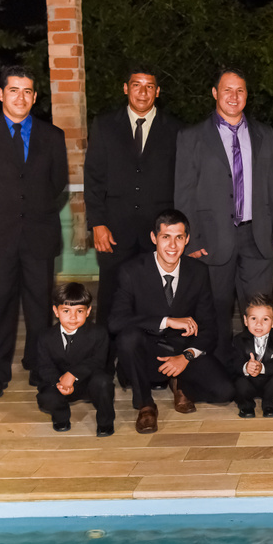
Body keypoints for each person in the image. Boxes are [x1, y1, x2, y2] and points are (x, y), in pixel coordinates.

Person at [0, 67, 68, 399]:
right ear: (1, 94)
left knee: (39, 306)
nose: (21, 97)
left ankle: (39, 366)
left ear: (35, 97)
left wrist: (32, 207)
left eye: (28, 92)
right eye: (14, 90)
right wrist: (1, 208)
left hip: (39, 233)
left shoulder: (52, 135)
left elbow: (57, 181)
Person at [174, 68, 273, 353]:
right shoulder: (192, 137)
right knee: (215, 310)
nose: (233, 96)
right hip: (212, 240)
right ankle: (220, 367)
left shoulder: (264, 134)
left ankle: (258, 369)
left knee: (259, 311)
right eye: (227, 90)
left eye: (240, 90)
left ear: (247, 96)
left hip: (257, 236)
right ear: (215, 93)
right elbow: (184, 192)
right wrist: (191, 239)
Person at [83, 67, 183, 385]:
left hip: (159, 234)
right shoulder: (105, 126)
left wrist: (173, 233)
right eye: (137, 85)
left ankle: (145, 363)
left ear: (158, 92)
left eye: (149, 86)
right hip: (115, 231)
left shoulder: (175, 130)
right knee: (112, 298)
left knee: (156, 299)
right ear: (125, 88)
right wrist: (97, 223)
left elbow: (181, 184)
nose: (143, 92)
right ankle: (105, 362)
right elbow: (94, 179)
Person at [109, 209, 235, 434]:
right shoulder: (131, 271)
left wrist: (185, 358)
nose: (172, 245)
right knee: (128, 337)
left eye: (179, 237)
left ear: (187, 239)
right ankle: (145, 404)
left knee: (224, 391)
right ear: (153, 238)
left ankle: (178, 381)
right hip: (144, 352)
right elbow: (116, 322)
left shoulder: (198, 271)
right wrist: (167, 321)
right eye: (166, 237)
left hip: (181, 348)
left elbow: (208, 327)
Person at [34, 283, 115, 436]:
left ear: (88, 311)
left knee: (104, 382)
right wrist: (60, 383)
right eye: (66, 311)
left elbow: (98, 361)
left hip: (88, 381)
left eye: (79, 311)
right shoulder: (45, 337)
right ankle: (61, 417)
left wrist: (72, 374)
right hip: (59, 383)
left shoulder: (98, 333)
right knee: (46, 396)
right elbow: (45, 367)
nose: (73, 317)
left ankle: (105, 422)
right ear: (56, 311)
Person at [227, 294, 273, 418]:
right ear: (245, 320)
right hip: (248, 382)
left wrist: (262, 368)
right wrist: (246, 367)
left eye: (265, 319)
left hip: (269, 380)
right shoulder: (238, 340)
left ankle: (269, 405)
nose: (259, 324)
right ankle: (246, 406)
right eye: (253, 318)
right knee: (238, 383)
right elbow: (233, 364)